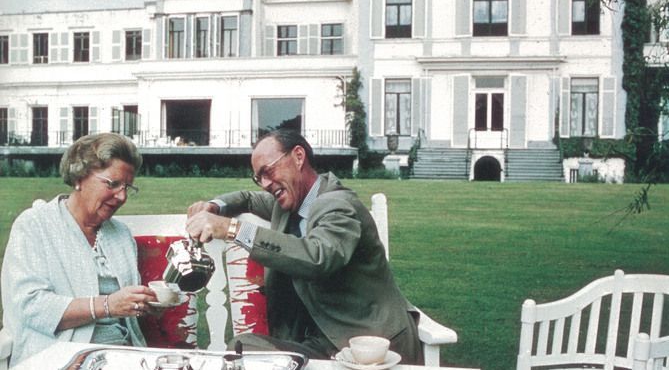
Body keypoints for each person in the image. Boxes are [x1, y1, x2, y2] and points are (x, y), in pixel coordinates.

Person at [186, 129, 423, 364]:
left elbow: (318, 258)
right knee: (242, 348)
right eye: (259, 177)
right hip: (322, 344)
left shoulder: (339, 206)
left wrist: (232, 229)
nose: (265, 184)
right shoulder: (289, 203)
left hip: (371, 346)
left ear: (299, 157)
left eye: (268, 171)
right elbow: (247, 199)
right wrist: (214, 206)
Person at [1, 133, 157, 367]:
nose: (122, 196)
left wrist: (143, 304)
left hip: (124, 356)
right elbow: (30, 306)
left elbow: (125, 313)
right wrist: (107, 305)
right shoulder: (35, 225)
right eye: (113, 184)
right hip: (58, 356)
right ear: (80, 177)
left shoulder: (120, 235)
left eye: (127, 187)